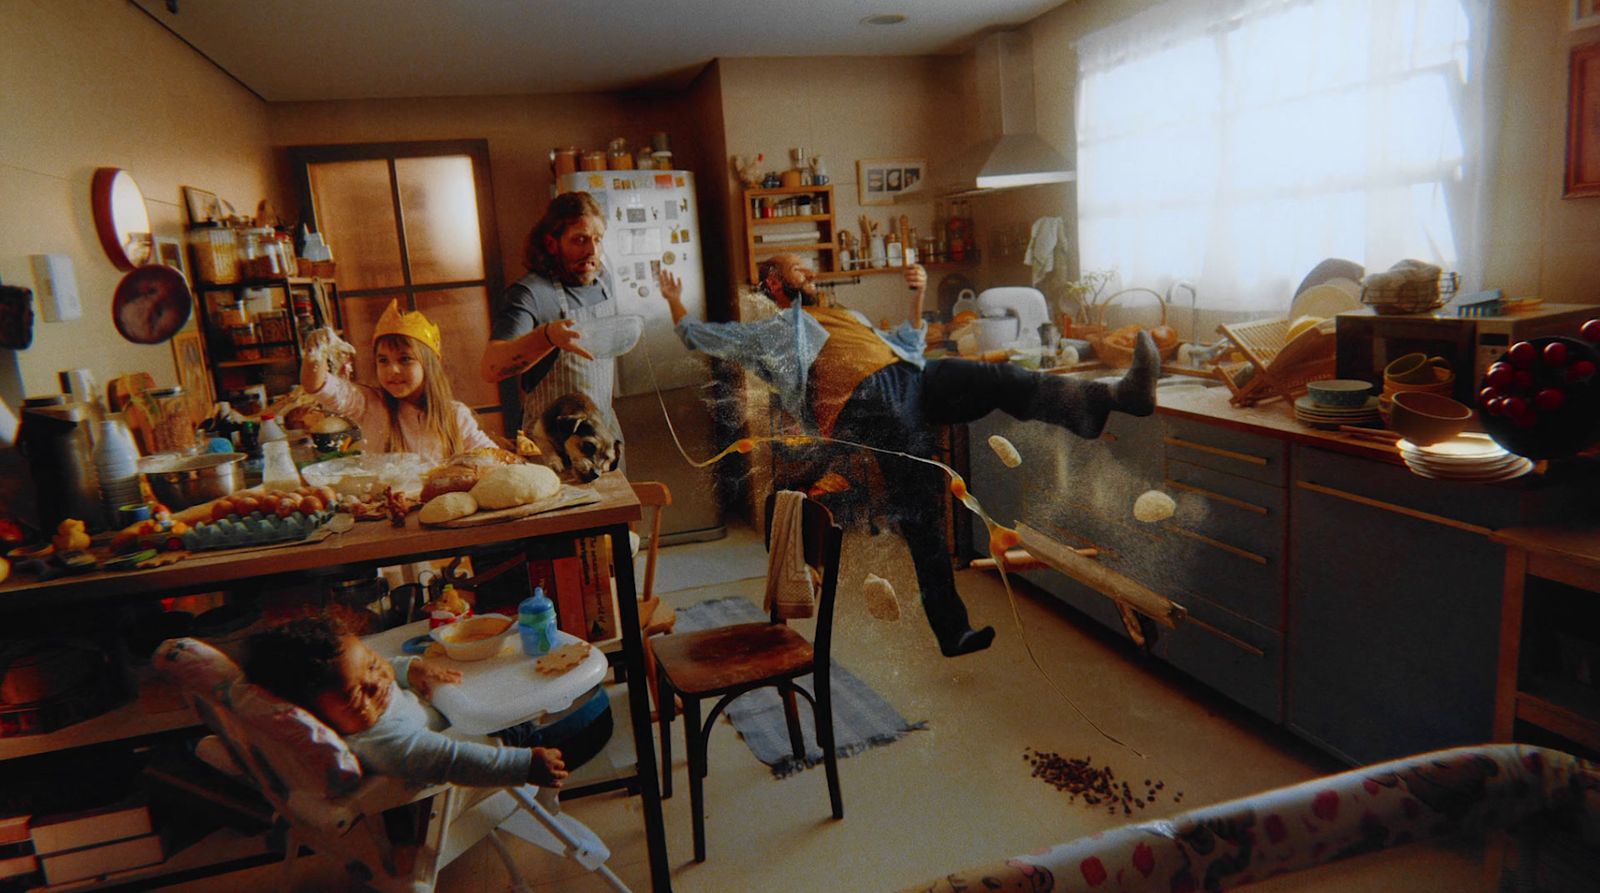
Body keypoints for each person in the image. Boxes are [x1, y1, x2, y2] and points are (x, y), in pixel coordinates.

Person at [658, 254, 1159, 658]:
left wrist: (917, 295)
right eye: (794, 268)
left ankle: (1105, 402)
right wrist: (676, 302)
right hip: (866, 403)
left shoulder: (844, 315)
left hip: (913, 375)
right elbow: (700, 337)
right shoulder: (773, 332)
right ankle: (953, 630)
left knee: (1000, 379)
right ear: (773, 285)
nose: (807, 272)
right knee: (922, 507)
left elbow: (905, 341)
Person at [244, 615, 570, 788]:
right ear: (315, 715)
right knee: (570, 717)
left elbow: (381, 666)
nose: (378, 683)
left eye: (372, 664)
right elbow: (450, 759)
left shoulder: (361, 707)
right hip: (478, 746)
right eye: (354, 693)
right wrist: (522, 766)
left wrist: (411, 669)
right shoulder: (383, 743)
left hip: (453, 714)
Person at [481, 191, 619, 442]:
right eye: (580, 240)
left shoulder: (603, 281)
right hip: (554, 445)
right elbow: (491, 368)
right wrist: (547, 337)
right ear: (551, 243)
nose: (592, 251)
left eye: (598, 240)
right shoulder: (531, 293)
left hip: (603, 432)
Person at [301, 300, 499, 466]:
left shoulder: (455, 416)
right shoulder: (368, 404)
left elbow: (492, 458)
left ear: (430, 364)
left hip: (442, 507)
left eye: (405, 359)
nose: (392, 370)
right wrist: (314, 356)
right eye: (383, 360)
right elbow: (317, 386)